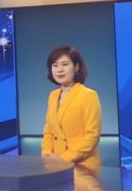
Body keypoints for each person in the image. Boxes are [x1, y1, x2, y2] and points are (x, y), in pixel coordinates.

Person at [41, 46, 101, 174]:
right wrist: (46, 154)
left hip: (82, 167)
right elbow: (49, 130)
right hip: (54, 166)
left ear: (76, 67)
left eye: (65, 64)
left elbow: (92, 136)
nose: (59, 70)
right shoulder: (53, 96)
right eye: (55, 65)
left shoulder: (88, 95)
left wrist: (64, 159)